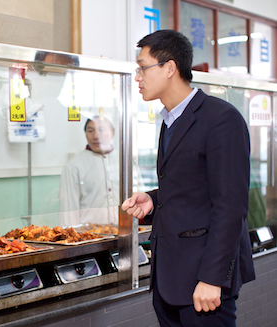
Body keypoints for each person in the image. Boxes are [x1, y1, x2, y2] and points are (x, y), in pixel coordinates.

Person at [121, 30, 255, 326]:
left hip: (203, 284)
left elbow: (231, 207)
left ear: (170, 68)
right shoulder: (170, 120)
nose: (137, 77)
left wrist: (212, 278)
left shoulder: (221, 118)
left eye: (142, 67)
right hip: (169, 280)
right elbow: (191, 185)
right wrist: (153, 201)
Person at [59, 116, 119, 227]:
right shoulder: (73, 166)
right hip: (90, 236)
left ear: (112, 132)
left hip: (124, 233)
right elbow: (68, 211)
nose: (95, 136)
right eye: (90, 131)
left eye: (101, 130)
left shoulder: (125, 162)